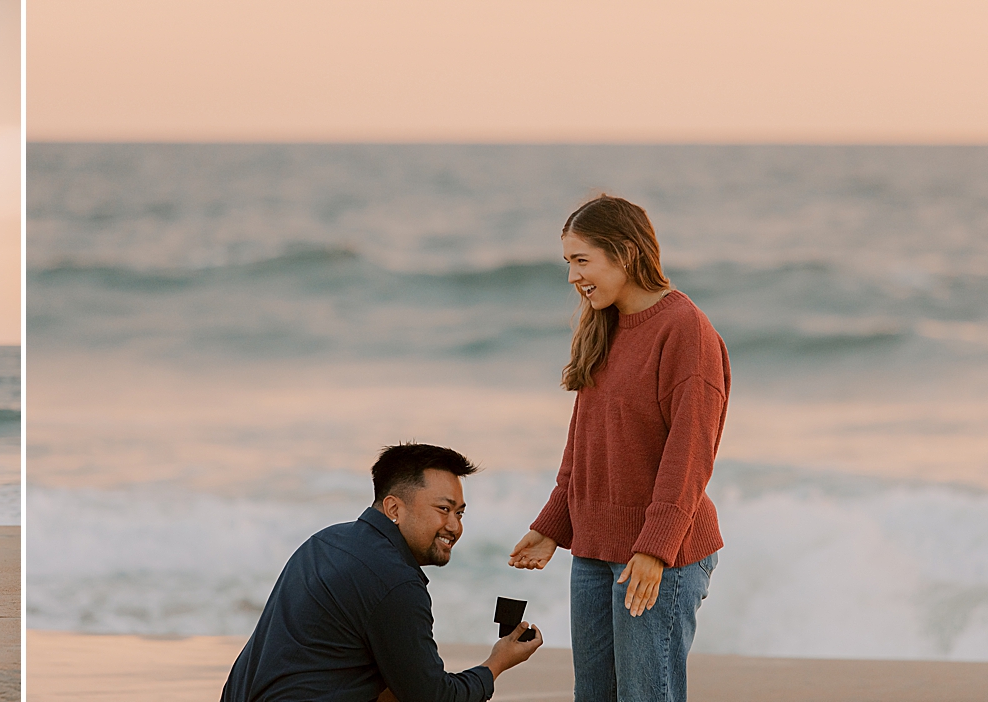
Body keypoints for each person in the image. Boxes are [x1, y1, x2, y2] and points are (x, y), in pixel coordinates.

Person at [508, 195, 728, 702]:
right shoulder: (602, 325)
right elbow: (586, 442)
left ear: (626, 253)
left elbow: (690, 453)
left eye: (582, 261)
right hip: (593, 549)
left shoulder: (685, 330)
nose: (572, 278)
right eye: (568, 263)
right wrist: (553, 524)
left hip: (658, 558)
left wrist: (655, 547)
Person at [222, 443, 544, 702]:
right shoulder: (395, 580)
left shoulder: (325, 541)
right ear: (394, 509)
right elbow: (435, 696)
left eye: (459, 513)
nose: (455, 527)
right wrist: (496, 664)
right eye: (443, 510)